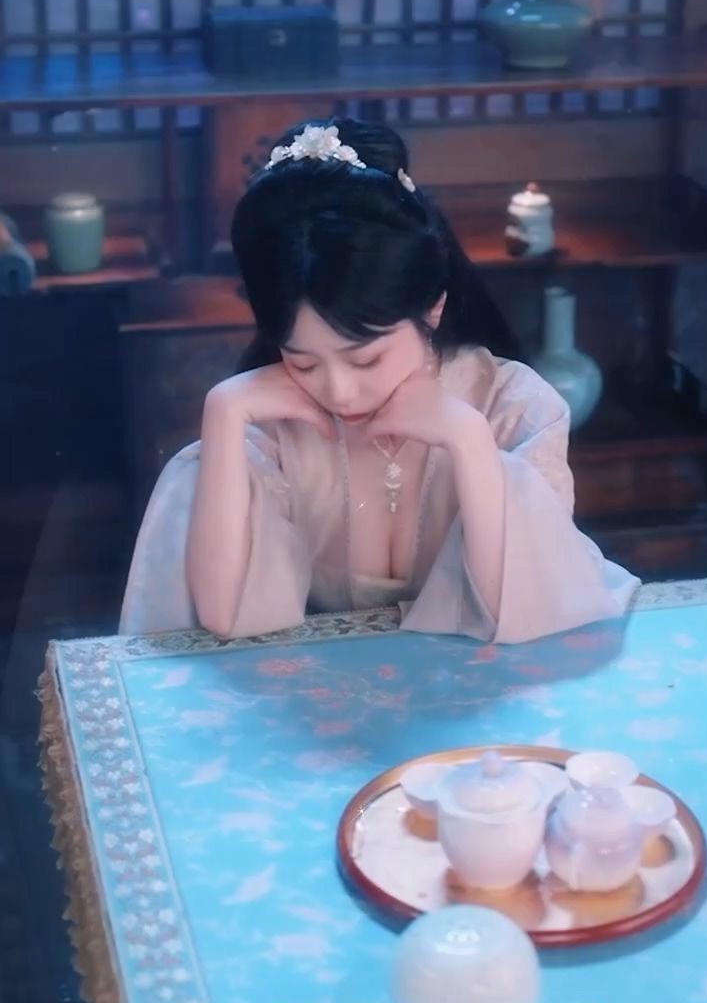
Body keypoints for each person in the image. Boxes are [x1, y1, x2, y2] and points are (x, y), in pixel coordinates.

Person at [120, 118, 639, 642]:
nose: (339, 392)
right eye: (303, 362)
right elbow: (222, 614)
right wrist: (224, 410)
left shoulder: (511, 406)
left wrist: (469, 440)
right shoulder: (271, 424)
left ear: (432, 308)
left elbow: (523, 611)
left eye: (366, 359)